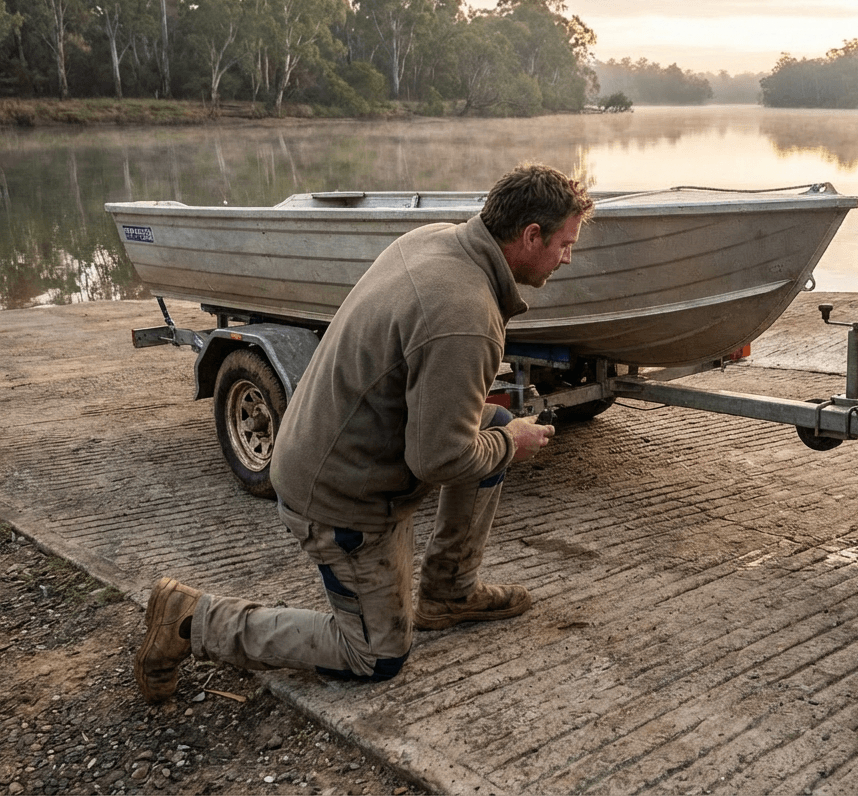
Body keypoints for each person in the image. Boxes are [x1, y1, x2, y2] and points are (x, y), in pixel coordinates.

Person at [134, 163, 594, 701]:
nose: (568, 258)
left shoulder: (437, 239)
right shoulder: (465, 314)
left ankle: (449, 591)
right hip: (338, 500)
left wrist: (500, 438)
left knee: (490, 423)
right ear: (531, 235)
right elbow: (438, 459)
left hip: (331, 449)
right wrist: (513, 445)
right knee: (375, 655)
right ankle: (192, 619)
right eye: (565, 244)